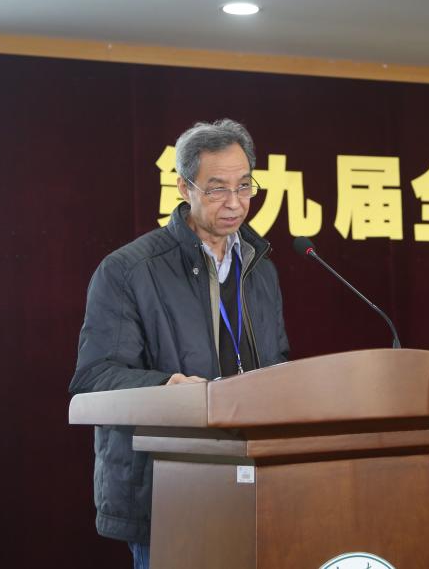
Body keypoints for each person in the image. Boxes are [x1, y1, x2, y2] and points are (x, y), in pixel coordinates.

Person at [68, 118, 290, 569]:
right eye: (217, 189)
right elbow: (94, 377)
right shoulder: (130, 270)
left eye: (244, 186)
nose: (235, 202)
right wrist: (166, 386)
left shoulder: (259, 267)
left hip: (257, 484)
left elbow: (277, 362)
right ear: (184, 187)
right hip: (170, 490)